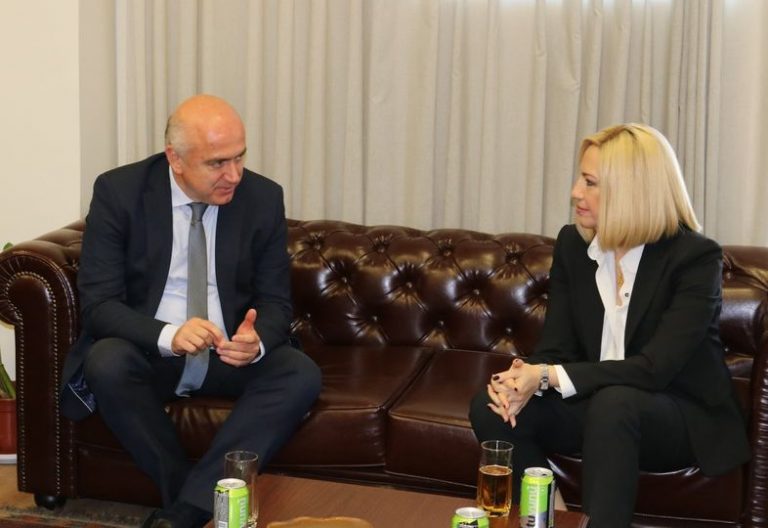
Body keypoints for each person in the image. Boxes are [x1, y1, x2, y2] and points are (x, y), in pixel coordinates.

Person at [59, 94, 322, 528]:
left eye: (239, 157)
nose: (234, 175)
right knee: (106, 360)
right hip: (151, 351)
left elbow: (275, 301)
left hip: (226, 354)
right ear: (175, 159)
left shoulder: (262, 197)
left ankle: (183, 514)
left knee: (299, 372)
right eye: (217, 163)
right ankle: (195, 501)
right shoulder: (120, 192)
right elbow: (99, 305)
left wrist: (255, 341)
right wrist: (169, 334)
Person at [469, 123, 750, 527]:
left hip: (677, 415)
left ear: (631, 191)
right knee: (492, 407)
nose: (575, 192)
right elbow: (557, 347)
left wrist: (546, 376)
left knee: (615, 403)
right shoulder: (574, 244)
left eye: (590, 182)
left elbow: (654, 369)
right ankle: (551, 518)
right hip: (601, 406)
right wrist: (523, 380)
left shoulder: (694, 258)